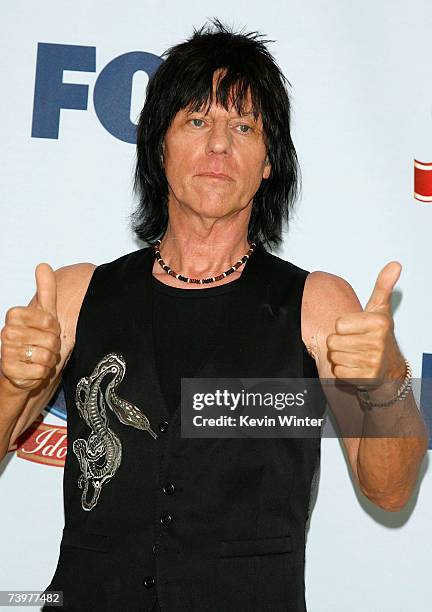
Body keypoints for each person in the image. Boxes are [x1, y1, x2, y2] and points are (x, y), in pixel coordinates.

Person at [0, 19, 428, 612]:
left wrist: (386, 384)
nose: (219, 144)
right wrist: (8, 385)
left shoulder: (319, 304)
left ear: (269, 161)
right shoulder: (75, 295)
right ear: (159, 147)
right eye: (196, 120)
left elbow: (391, 488)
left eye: (244, 126)